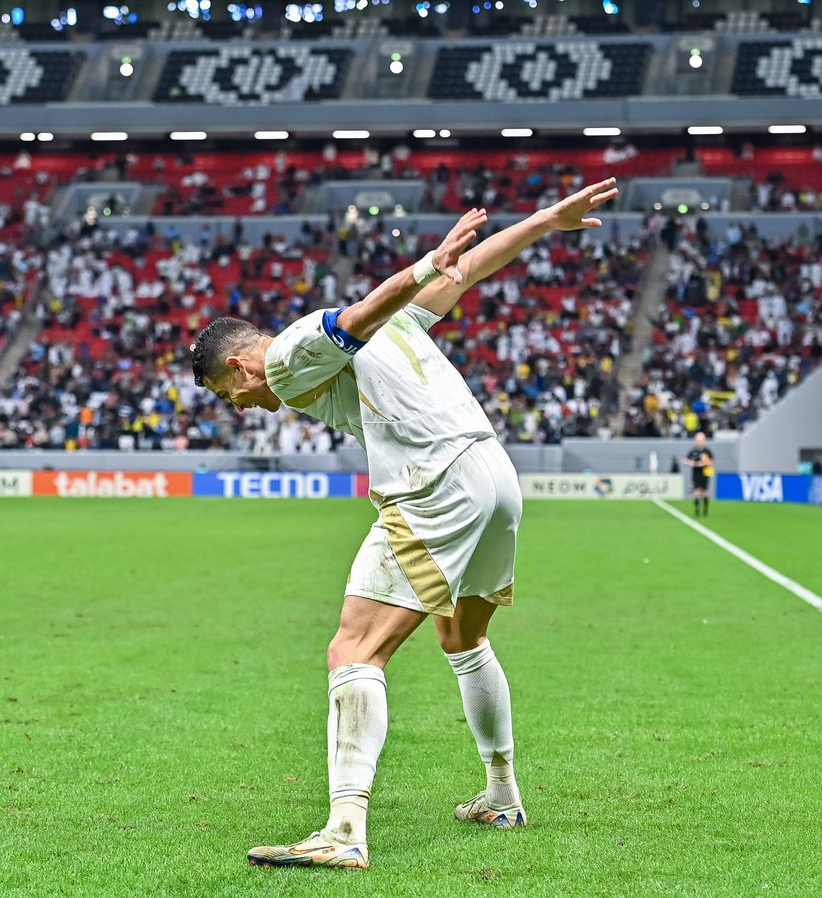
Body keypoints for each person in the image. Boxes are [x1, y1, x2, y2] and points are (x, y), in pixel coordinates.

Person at [190, 178, 620, 869]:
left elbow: (353, 316)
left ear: (241, 364)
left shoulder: (284, 356)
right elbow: (467, 271)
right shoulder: (394, 329)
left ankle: (343, 830)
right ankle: (502, 793)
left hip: (433, 484)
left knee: (353, 649)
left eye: (227, 393)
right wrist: (544, 220)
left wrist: (422, 264)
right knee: (463, 637)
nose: (241, 406)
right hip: (493, 474)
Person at [684, 431, 714, 517]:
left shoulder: (707, 451)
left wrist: (704, 463)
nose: (700, 442)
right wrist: (692, 463)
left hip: (705, 474)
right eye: (698, 440)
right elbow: (685, 460)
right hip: (696, 474)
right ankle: (697, 510)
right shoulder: (693, 451)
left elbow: (711, 461)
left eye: (701, 440)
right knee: (696, 492)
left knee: (704, 492)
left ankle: (705, 511)